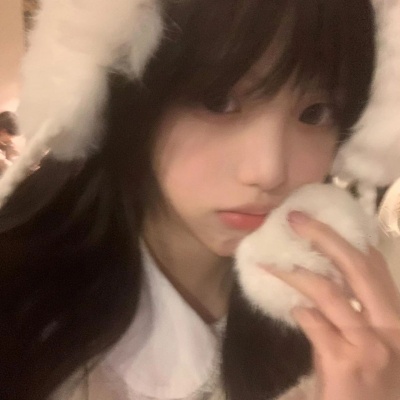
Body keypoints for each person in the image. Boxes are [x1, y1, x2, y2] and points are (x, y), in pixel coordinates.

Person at [0, 1, 399, 400]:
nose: (269, 172)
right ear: (127, 98)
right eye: (218, 101)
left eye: (315, 113)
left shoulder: (352, 316)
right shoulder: (21, 318)